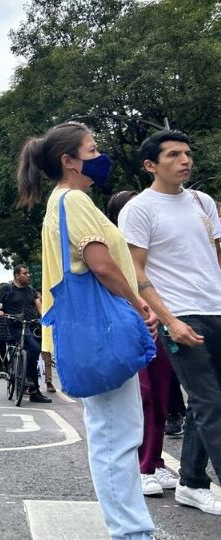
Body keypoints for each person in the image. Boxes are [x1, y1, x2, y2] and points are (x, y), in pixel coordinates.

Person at [18, 121, 156, 538]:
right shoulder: (73, 201)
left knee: (111, 433)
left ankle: (130, 528)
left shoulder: (59, 203)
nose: (99, 158)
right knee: (117, 435)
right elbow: (100, 263)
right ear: (69, 161)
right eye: (92, 150)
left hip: (86, 330)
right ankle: (131, 531)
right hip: (103, 329)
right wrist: (139, 303)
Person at [120, 129, 221, 514]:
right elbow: (136, 270)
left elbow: (215, 255)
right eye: (174, 155)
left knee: (206, 404)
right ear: (150, 165)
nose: (185, 161)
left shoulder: (202, 201)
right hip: (180, 314)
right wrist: (169, 321)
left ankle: (192, 483)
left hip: (216, 309)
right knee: (210, 401)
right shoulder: (140, 209)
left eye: (187, 153)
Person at [106, 189, 178, 497]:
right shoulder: (112, 252)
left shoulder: (154, 250)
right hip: (130, 327)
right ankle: (141, 464)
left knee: (162, 396)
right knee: (144, 396)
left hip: (159, 324)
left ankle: (154, 459)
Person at [0, 265, 52, 402]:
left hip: (32, 324)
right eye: (25, 273)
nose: (28, 275)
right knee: (33, 348)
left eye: (29, 273)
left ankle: (35, 392)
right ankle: (27, 378)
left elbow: (38, 305)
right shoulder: (7, 288)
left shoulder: (30, 290)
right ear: (17, 275)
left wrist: (44, 317)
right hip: (15, 325)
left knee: (34, 353)